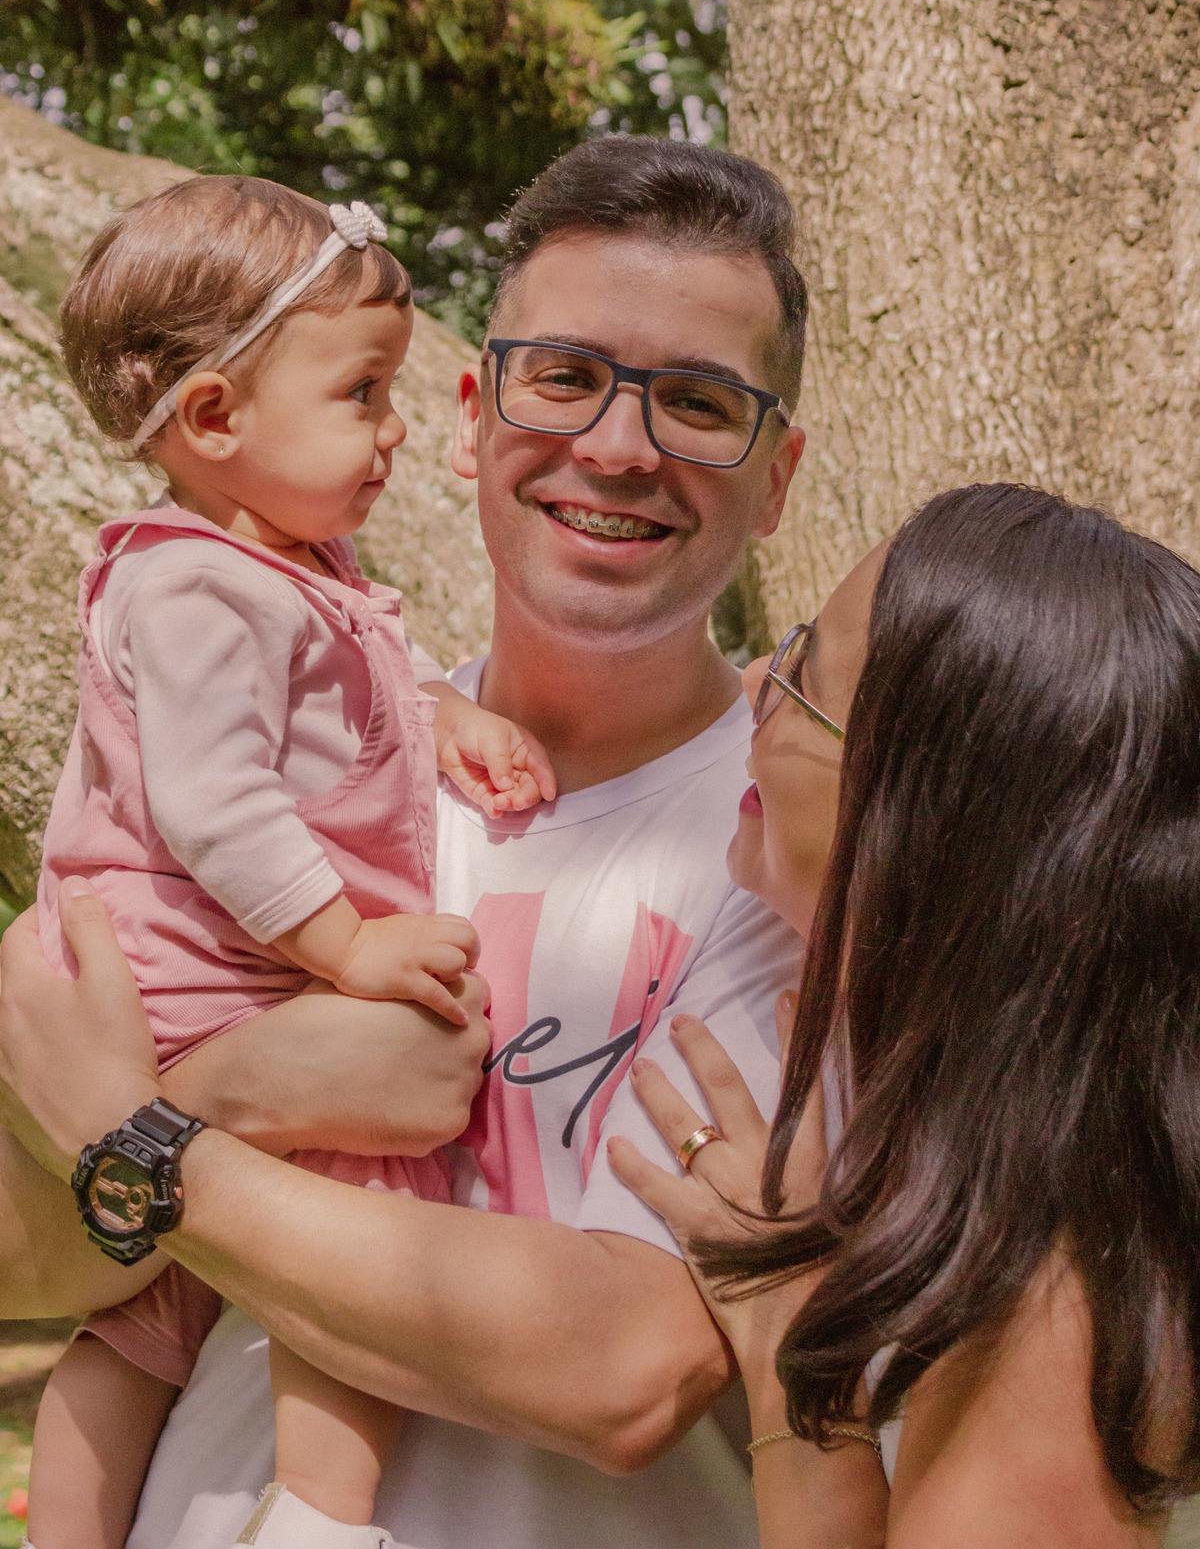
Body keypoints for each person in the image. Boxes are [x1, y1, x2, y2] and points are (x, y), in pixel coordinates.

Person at [0, 136, 808, 1549]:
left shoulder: (809, 850)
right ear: (465, 417)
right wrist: (241, 1086)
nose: (619, 446)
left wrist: (149, 1133)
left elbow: (634, 1369)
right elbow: (22, 1264)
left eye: (696, 401)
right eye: (566, 378)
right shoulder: (296, 762)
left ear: (779, 476)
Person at [28, 174, 556, 1549]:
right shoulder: (203, 587)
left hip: (176, 988)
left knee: (143, 1318)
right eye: (364, 392)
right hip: (198, 975)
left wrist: (450, 715)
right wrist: (351, 948)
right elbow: (218, 806)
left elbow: (345, 709)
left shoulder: (282, 567)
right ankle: (328, 1515)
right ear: (214, 418)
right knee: (359, 1205)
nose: (393, 428)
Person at [611, 482, 1200, 1548]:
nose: (756, 687)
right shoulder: (1058, 1171)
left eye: (807, 678)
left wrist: (792, 1334)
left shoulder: (1053, 1306)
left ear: (932, 822)